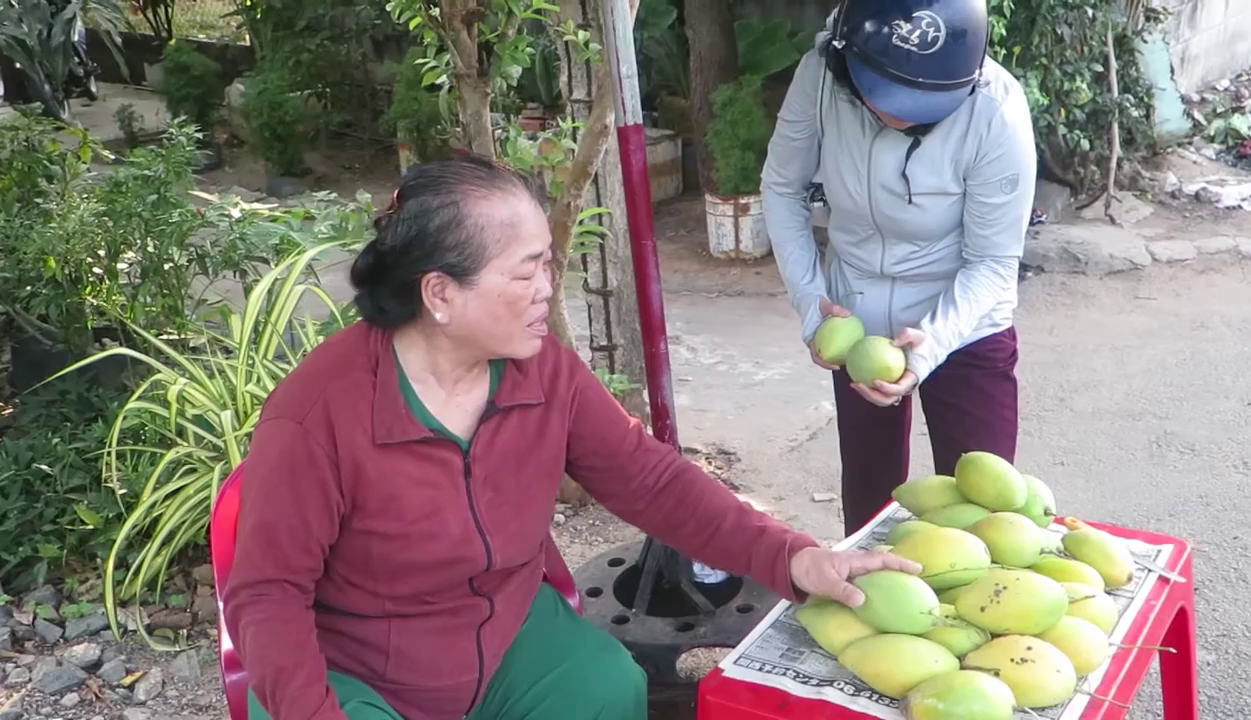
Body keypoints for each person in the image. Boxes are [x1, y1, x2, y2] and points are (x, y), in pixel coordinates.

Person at [222, 155, 923, 720]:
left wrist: (796, 560)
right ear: (439, 294)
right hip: (356, 669)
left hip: (500, 636)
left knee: (606, 687)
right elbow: (267, 596)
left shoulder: (542, 371)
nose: (546, 290)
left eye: (549, 265)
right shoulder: (319, 413)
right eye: (524, 271)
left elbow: (650, 481)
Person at [761, 0, 1038, 537]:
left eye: (927, 103)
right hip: (855, 312)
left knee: (985, 513)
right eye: (884, 95)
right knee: (868, 505)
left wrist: (931, 344)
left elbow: (992, 261)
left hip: (963, 323)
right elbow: (782, 187)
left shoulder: (996, 110)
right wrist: (810, 304)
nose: (902, 115)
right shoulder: (820, 74)